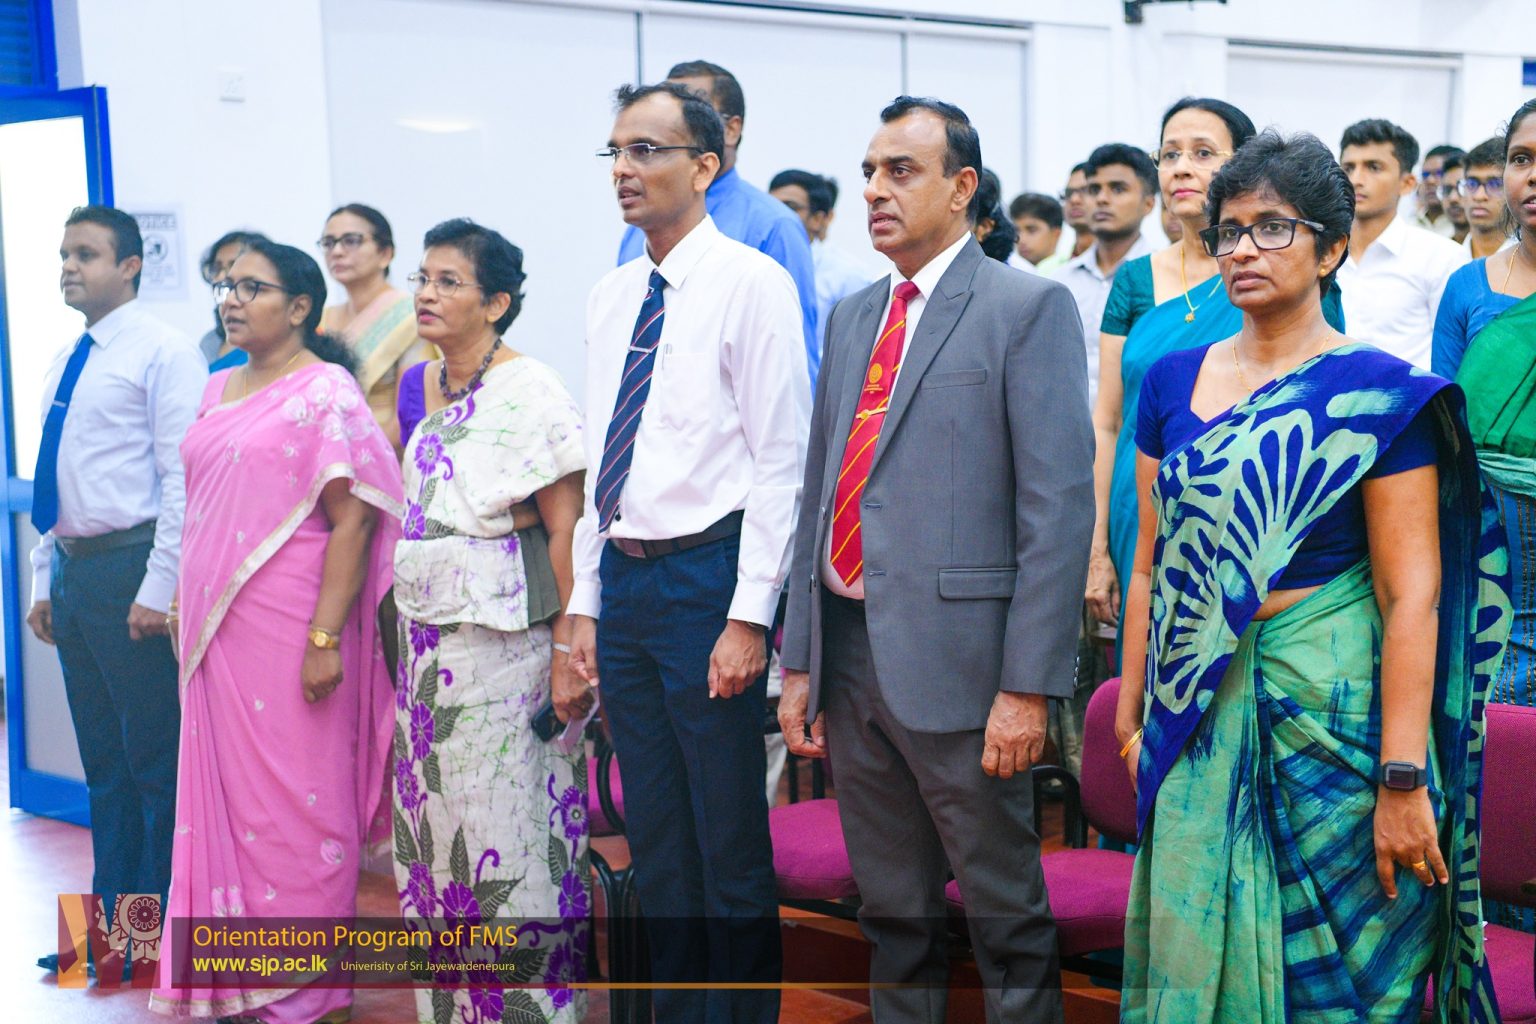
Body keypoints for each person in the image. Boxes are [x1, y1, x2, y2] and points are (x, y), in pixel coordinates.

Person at [1118, 130, 1506, 1022]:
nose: (1243, 249)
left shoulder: (1380, 392)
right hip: (1193, 718)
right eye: (1228, 231)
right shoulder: (1171, 383)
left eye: (1272, 228)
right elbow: (1150, 565)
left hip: (1334, 728)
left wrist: (1401, 779)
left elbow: (1411, 595)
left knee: (1340, 984)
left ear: (1331, 249)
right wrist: (1133, 719)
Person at [779, 95, 1094, 1024]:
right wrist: (801, 657)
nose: (876, 190)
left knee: (1004, 914)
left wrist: (1028, 686)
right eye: (870, 172)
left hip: (965, 664)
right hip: (850, 650)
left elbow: (1056, 512)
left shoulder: (1024, 307)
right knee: (893, 911)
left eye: (901, 171)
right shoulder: (853, 316)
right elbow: (820, 489)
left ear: (963, 188)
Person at [570, 81, 808, 1024]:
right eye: (616, 152)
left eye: (647, 151)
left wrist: (750, 616)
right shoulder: (612, 294)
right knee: (658, 837)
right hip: (626, 579)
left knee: (727, 836)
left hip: (710, 578)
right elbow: (605, 455)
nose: (624, 170)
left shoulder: (752, 282)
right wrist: (585, 601)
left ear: (705, 166)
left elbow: (782, 461)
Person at [150, 240, 402, 1023]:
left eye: (251, 287)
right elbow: (202, 506)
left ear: (299, 307)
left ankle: (311, 994)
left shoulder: (325, 390)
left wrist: (325, 639)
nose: (231, 298)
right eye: (226, 286)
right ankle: (240, 985)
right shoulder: (216, 386)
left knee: (299, 806)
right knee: (225, 806)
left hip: (291, 631)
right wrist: (177, 596)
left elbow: (355, 518)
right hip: (213, 636)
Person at [391, 219, 590, 1022]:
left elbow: (567, 530)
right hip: (423, 660)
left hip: (504, 657)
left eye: (449, 281)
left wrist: (571, 653)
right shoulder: (422, 384)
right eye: (423, 278)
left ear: (497, 302)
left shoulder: (532, 391)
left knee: (506, 846)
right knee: (435, 850)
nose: (427, 293)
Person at [28, 206, 206, 978]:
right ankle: (105, 939)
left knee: (151, 765)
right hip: (76, 574)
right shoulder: (67, 356)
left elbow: (180, 479)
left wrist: (159, 587)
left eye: (87, 255)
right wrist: (45, 577)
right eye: (65, 255)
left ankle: (155, 939)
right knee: (102, 764)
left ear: (130, 266)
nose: (70, 267)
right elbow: (55, 473)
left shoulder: (163, 352)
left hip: (132, 569)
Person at [1087, 99, 1284, 662]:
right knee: (1139, 680)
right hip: (1138, 510)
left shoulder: (1274, 271)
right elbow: (1108, 422)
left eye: (1202, 153)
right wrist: (1097, 548)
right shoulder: (1134, 280)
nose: (1180, 168)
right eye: (1170, 154)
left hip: (1243, 515)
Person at [617, 61, 820, 384]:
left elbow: (794, 366)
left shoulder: (773, 225)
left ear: (731, 129)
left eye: (695, 107)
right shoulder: (637, 231)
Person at [1433, 98, 1536, 709]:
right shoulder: (1467, 287)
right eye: (1521, 159)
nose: (1533, 175)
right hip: (1481, 521)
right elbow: (1443, 427)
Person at [1337, 118, 1466, 369]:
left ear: (1407, 184)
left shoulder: (1441, 257)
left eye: (1373, 167)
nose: (1356, 179)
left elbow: (1452, 357)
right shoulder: (1321, 254)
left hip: (1409, 394)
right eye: (1348, 168)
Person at [317, 203, 433, 453]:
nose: (337, 251)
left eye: (351, 241)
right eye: (328, 243)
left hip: (385, 457)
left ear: (385, 254)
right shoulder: (321, 319)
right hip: (325, 456)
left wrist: (358, 458)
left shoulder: (412, 316)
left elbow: (409, 414)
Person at [1054, 142, 1158, 406]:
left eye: (1118, 189)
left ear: (1148, 203)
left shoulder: (1162, 277)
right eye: (1093, 189)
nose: (1101, 199)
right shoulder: (1058, 283)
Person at [770, 168, 874, 337]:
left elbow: (858, 342)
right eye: (770, 205)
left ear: (818, 219)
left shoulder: (849, 275)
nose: (776, 215)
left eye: (789, 207)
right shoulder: (756, 264)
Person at [196, 229, 266, 371]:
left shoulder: (272, 342)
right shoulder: (209, 342)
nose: (221, 277)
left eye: (233, 265)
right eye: (217, 268)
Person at [1458, 136, 1516, 260]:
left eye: (1495, 184)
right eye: (1472, 183)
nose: (1479, 196)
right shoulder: (1445, 258)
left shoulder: (1530, 261)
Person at [1008, 191, 1066, 273]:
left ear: (1056, 234)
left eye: (1031, 230)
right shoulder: (1008, 271)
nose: (1021, 240)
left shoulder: (1068, 274)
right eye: (1016, 230)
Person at [1416, 143, 1463, 237]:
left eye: (1439, 173)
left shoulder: (1465, 228)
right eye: (1425, 174)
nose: (1430, 181)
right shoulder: (1408, 225)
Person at [1060, 163, 1093, 259]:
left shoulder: (1127, 263)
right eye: (1068, 193)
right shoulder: (1051, 266)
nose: (1074, 200)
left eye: (1085, 190)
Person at [1439, 152, 1471, 243]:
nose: (1453, 198)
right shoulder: (1439, 246)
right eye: (1447, 189)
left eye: (1463, 188)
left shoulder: (1505, 249)